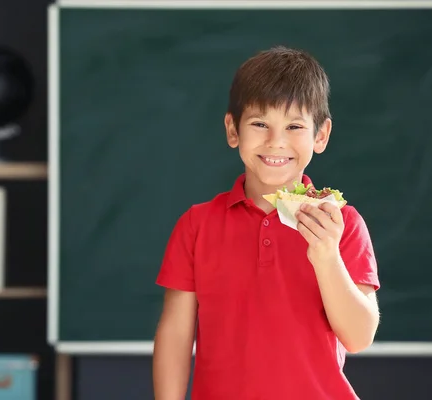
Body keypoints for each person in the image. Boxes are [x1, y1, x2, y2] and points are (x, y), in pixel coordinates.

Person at [152, 46, 381, 400]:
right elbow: (175, 336)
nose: (276, 142)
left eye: (294, 126)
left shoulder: (341, 224)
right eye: (260, 124)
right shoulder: (197, 225)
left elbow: (359, 336)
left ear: (320, 136)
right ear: (233, 130)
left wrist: (326, 257)